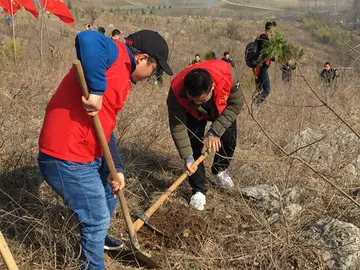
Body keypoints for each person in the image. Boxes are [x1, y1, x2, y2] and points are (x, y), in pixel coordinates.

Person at [37, 30, 172, 269]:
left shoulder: (122, 75)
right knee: (97, 216)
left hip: (86, 152)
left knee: (109, 189)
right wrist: (97, 91)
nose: (153, 75)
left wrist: (116, 168)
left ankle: (98, 238)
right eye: (155, 69)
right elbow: (87, 38)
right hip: (65, 154)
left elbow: (105, 127)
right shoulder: (117, 53)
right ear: (142, 58)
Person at [167, 60, 243, 211]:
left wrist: (214, 132)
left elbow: (236, 104)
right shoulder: (176, 91)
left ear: (212, 87)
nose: (197, 102)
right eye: (193, 99)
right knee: (193, 145)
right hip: (193, 115)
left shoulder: (227, 75)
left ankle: (219, 170)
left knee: (229, 140)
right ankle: (198, 190)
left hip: (221, 108)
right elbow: (177, 126)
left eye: (201, 100)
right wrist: (188, 157)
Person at [253, 21, 276, 103]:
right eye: (273, 30)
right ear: (269, 29)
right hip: (261, 67)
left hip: (257, 67)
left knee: (259, 89)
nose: (274, 32)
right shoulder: (264, 37)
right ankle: (255, 103)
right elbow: (264, 52)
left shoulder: (260, 36)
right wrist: (272, 57)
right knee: (267, 90)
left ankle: (255, 109)